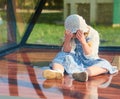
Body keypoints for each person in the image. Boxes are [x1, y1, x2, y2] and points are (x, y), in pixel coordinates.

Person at [42, 14, 118, 82]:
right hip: (75, 60)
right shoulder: (70, 35)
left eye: (75, 33)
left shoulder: (93, 34)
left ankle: (85, 73)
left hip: (90, 61)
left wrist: (83, 42)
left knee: (105, 64)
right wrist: (67, 39)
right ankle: (58, 72)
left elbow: (90, 55)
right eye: (73, 33)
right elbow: (66, 51)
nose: (74, 35)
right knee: (60, 56)